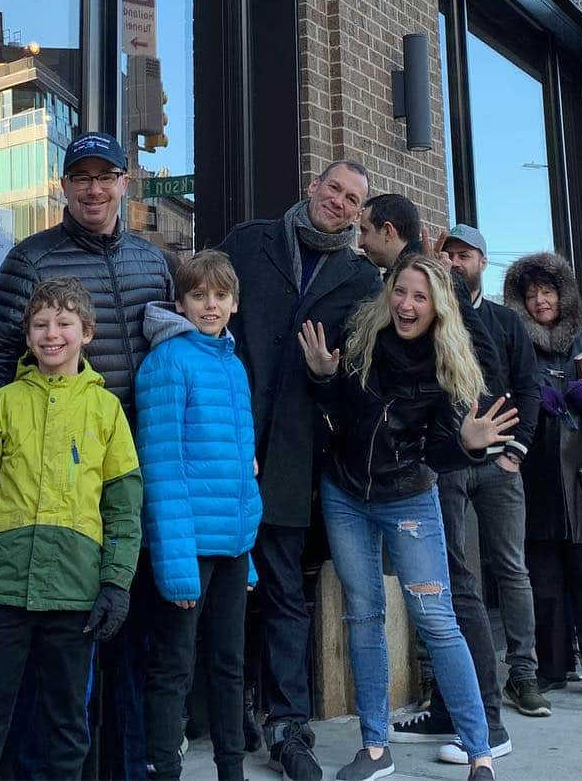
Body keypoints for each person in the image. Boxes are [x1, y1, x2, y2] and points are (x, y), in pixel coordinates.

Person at [0, 130, 172, 780]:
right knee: (11, 681)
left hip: (123, 472)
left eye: (107, 177)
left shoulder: (153, 262)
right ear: (63, 187)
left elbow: (183, 355)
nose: (95, 189)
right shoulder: (31, 260)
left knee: (122, 646)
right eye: (81, 178)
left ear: (126, 182)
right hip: (43, 476)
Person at [299, 256, 520, 781]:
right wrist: (324, 376)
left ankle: (480, 751)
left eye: (420, 297)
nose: (406, 304)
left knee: (437, 621)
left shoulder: (450, 364)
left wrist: (466, 446)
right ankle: (375, 748)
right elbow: (340, 412)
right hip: (346, 492)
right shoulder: (364, 338)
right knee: (364, 615)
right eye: (400, 292)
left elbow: (440, 454)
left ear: (438, 307)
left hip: (409, 499)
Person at [221, 160, 381, 781]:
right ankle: (224, 706)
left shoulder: (362, 280)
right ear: (311, 186)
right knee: (217, 587)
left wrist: (325, 374)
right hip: (224, 446)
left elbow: (361, 385)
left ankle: (289, 722)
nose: (339, 203)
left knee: (286, 592)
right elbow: (201, 311)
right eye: (333, 189)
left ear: (359, 215)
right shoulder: (247, 242)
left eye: (352, 200)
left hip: (291, 457)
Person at [0, 278, 141, 779]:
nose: (51, 334)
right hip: (3, 591)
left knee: (66, 726)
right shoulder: (3, 403)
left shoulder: (106, 411)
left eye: (64, 324)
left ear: (87, 333)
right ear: (27, 335)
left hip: (75, 594)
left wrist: (116, 582)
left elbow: (123, 505)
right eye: (40, 324)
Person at [136, 251, 262, 781]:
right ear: (181, 302)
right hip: (188, 550)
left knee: (229, 668)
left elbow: (239, 469)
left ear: (234, 303)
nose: (209, 305)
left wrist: (248, 555)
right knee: (173, 670)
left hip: (232, 547)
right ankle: (165, 770)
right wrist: (177, 565)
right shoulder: (167, 362)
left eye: (219, 296)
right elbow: (162, 471)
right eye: (198, 295)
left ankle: (231, 771)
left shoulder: (231, 363)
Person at [501, 252, 582, 702]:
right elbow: (499, 393)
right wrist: (530, 401)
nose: (540, 300)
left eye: (548, 291)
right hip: (534, 478)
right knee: (546, 585)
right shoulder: (516, 345)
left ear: (564, 295)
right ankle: (552, 668)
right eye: (532, 293)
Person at [436, 226, 548, 724]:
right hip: (450, 464)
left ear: (483, 260)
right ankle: (448, 677)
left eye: (465, 255)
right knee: (453, 572)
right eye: (450, 255)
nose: (457, 262)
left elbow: (530, 389)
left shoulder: (505, 321)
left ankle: (523, 673)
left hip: (501, 465)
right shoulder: (435, 317)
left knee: (511, 569)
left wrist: (515, 452)